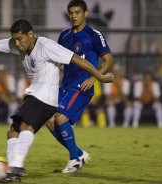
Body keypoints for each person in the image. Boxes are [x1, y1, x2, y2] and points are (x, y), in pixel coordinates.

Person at [0, 19, 114, 182]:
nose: (17, 43)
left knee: (26, 126)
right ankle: (15, 166)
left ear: (30, 35)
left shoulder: (46, 46)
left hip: (45, 97)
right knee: (12, 132)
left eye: (20, 39)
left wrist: (98, 76)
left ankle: (15, 168)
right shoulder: (19, 45)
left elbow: (77, 59)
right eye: (14, 39)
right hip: (34, 95)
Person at [46, 0, 114, 174]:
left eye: (77, 12)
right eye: (71, 13)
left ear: (86, 14)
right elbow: (58, 60)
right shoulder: (64, 35)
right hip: (65, 85)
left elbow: (108, 60)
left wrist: (94, 77)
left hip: (82, 85)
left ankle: (75, 159)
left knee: (61, 118)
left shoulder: (93, 34)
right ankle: (78, 153)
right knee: (49, 120)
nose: (74, 16)